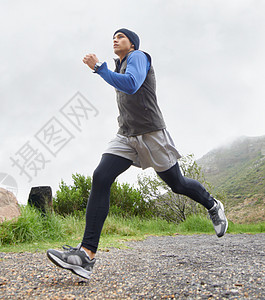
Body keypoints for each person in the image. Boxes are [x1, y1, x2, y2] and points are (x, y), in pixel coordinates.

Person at [46, 28, 228, 280]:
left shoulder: (139, 57)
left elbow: (132, 85)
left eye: (121, 36)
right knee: (101, 177)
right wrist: (105, 70)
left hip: (152, 133)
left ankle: (212, 204)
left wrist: (98, 67)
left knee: (177, 184)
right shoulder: (117, 66)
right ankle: (86, 255)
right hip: (126, 134)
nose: (115, 39)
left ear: (132, 44)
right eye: (114, 36)